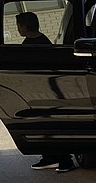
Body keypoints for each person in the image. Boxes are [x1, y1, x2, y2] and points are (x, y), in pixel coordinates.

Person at [16, 13, 76, 171]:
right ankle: (49, 157)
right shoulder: (34, 42)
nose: (18, 29)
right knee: (40, 126)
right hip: (36, 92)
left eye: (19, 26)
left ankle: (65, 160)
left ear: (24, 26)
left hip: (45, 92)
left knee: (52, 126)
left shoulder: (39, 44)